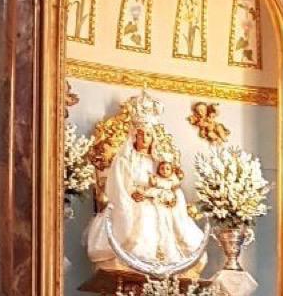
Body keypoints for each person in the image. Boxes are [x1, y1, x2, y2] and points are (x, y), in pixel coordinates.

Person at [86, 93, 209, 278]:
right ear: (134, 136)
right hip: (133, 203)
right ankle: (137, 259)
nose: (145, 138)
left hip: (160, 201)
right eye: (141, 134)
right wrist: (135, 196)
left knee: (171, 218)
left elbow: (170, 185)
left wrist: (170, 198)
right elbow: (118, 187)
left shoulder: (159, 162)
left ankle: (170, 265)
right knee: (146, 213)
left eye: (149, 134)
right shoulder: (124, 160)